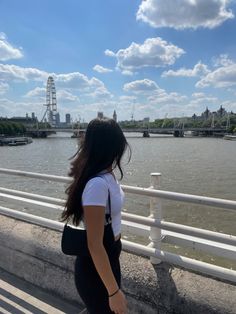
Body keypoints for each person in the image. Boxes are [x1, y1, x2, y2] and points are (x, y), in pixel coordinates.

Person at [61, 118, 131, 314]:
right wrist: (113, 291)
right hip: (95, 266)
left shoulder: (107, 176)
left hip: (110, 255)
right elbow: (94, 243)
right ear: (113, 147)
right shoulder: (97, 185)